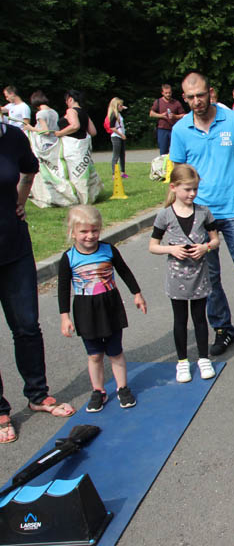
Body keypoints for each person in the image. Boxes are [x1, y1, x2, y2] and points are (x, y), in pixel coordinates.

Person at [169, 72, 234, 367]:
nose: (195, 101)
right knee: (210, 279)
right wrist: (177, 212)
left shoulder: (232, 121)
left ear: (210, 92)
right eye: (189, 97)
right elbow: (179, 174)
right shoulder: (180, 130)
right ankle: (223, 328)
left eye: (200, 95)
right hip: (201, 216)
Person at [0, 122, 75, 444]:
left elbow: (29, 171)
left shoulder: (12, 137)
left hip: (14, 247)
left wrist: (21, 200)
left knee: (27, 325)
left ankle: (37, 393)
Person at [58, 205, 146, 412]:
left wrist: (137, 294)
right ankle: (98, 390)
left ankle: (122, 387)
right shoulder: (68, 258)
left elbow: (124, 271)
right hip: (85, 311)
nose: (90, 236)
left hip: (110, 307)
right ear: (72, 232)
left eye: (94, 230)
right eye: (84, 231)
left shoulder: (108, 250)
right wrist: (65, 317)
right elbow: (63, 289)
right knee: (95, 355)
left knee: (115, 351)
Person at [149, 164, 220, 382]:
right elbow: (153, 245)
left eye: (195, 190)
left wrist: (205, 247)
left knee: (199, 318)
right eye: (187, 189)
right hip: (176, 276)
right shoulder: (164, 215)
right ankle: (182, 361)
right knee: (180, 319)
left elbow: (215, 240)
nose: (192, 194)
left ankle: (203, 357)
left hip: (199, 274)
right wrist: (171, 249)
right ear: (174, 188)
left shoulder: (203, 212)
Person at [149, 84, 186, 156]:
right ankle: (164, 166)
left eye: (169, 93)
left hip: (174, 129)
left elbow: (183, 115)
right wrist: (161, 115)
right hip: (162, 129)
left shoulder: (176, 103)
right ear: (162, 93)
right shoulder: (158, 102)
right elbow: (151, 113)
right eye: (166, 93)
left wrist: (175, 116)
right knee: (163, 152)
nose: (168, 94)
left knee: (175, 150)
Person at [105, 97, 128, 177]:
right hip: (116, 137)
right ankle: (114, 174)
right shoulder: (113, 115)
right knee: (116, 155)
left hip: (121, 136)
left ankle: (123, 172)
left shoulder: (118, 113)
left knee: (122, 155)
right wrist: (121, 135)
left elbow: (122, 108)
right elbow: (112, 127)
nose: (122, 107)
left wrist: (122, 107)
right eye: (120, 105)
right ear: (116, 106)